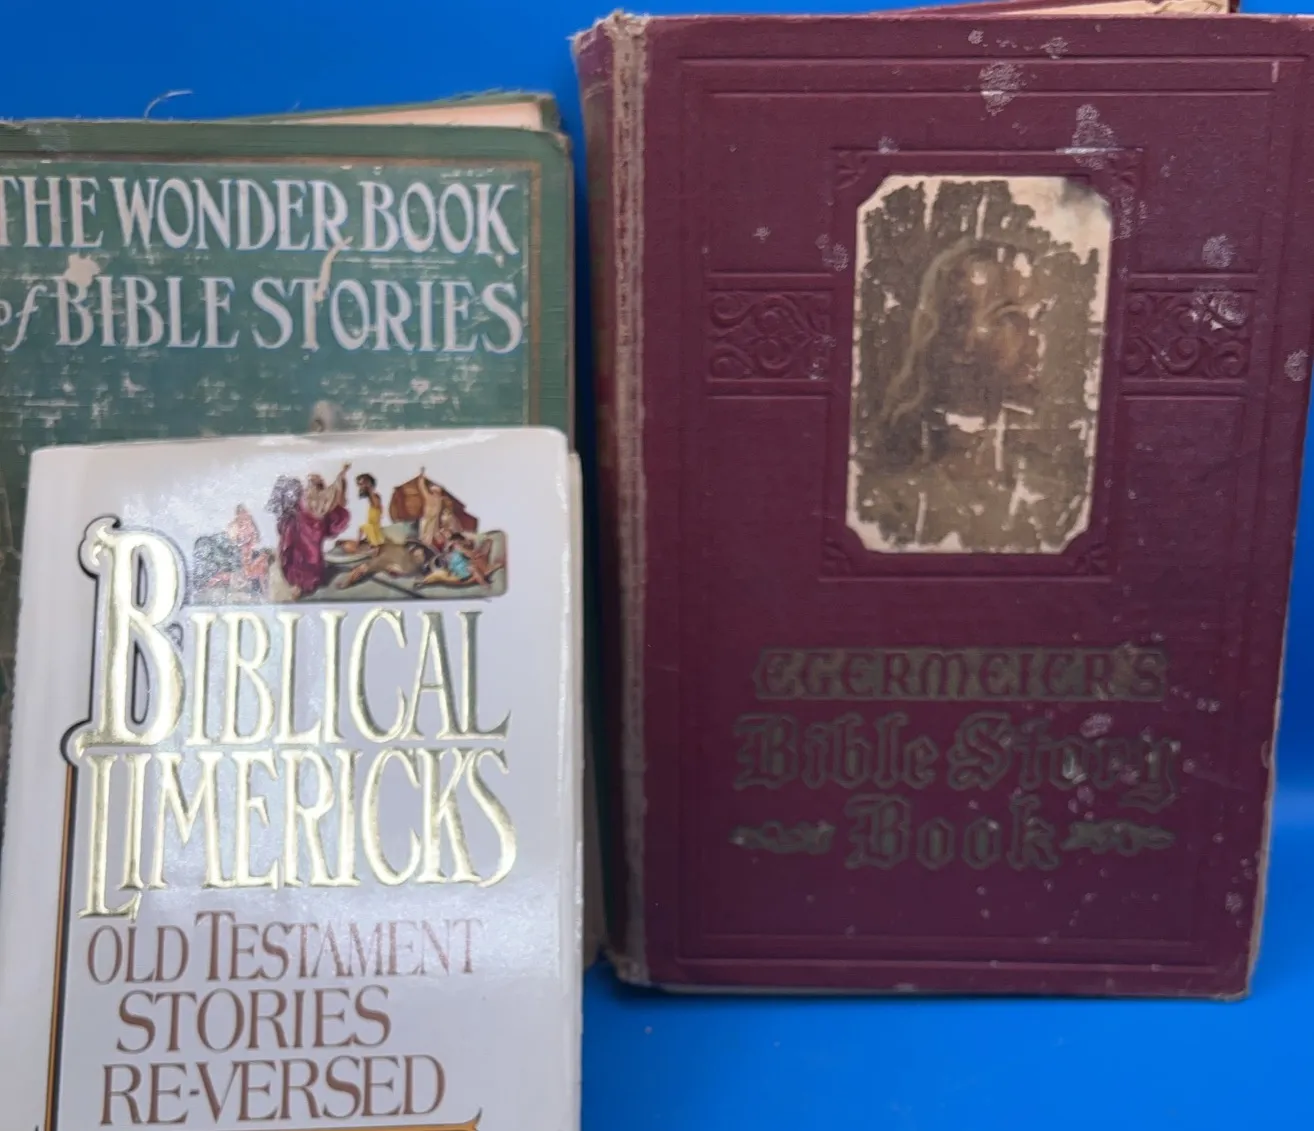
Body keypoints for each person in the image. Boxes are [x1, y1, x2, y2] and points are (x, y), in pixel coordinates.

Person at [267, 463, 351, 598]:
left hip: (313, 534)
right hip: (302, 533)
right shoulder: (305, 497)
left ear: (317, 485)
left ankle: (304, 585)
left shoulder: (323, 498)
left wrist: (342, 473)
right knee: (298, 557)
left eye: (312, 483)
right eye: (310, 483)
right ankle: (297, 585)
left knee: (311, 558)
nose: (309, 486)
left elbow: (335, 489)